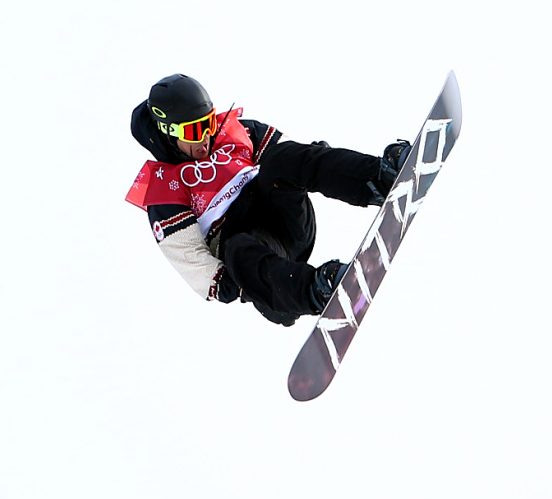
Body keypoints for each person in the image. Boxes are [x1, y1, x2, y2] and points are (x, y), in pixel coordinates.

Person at [126, 74, 411, 325]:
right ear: (168, 131)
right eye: (193, 131)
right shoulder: (164, 189)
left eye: (208, 123)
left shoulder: (236, 132)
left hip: (288, 220)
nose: (205, 138)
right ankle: (316, 290)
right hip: (260, 253)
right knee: (235, 248)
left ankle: (379, 179)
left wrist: (320, 163)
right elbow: (191, 258)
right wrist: (239, 284)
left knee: (280, 158)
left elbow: (297, 159)